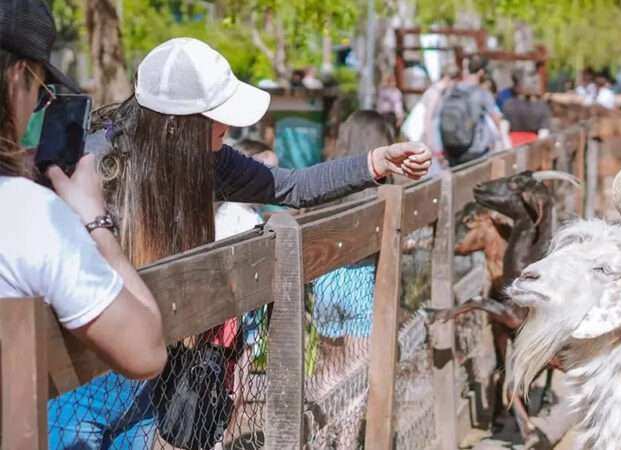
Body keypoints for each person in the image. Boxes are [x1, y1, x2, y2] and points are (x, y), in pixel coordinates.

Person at [48, 37, 432, 449]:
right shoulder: (96, 164)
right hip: (78, 368)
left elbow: (291, 186)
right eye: (217, 117)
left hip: (145, 368)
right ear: (179, 124)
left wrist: (374, 163)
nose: (227, 127)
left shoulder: (205, 160)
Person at [0, 1, 167, 448]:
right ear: (18, 77)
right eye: (41, 89)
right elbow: (146, 351)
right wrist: (94, 220)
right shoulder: (26, 213)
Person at [309, 111, 390, 396]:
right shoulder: (380, 186)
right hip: (362, 278)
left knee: (328, 366)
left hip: (326, 280)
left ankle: (320, 435)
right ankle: (344, 439)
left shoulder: (328, 175)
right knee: (355, 372)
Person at [439, 55, 503, 166]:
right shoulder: (482, 93)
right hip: (475, 151)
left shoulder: (452, 89)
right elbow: (496, 119)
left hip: (451, 149)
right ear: (481, 72)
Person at [501, 76, 552, 146]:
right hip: (533, 146)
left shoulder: (508, 104)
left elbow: (503, 132)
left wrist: (509, 148)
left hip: (513, 146)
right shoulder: (542, 107)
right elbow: (544, 133)